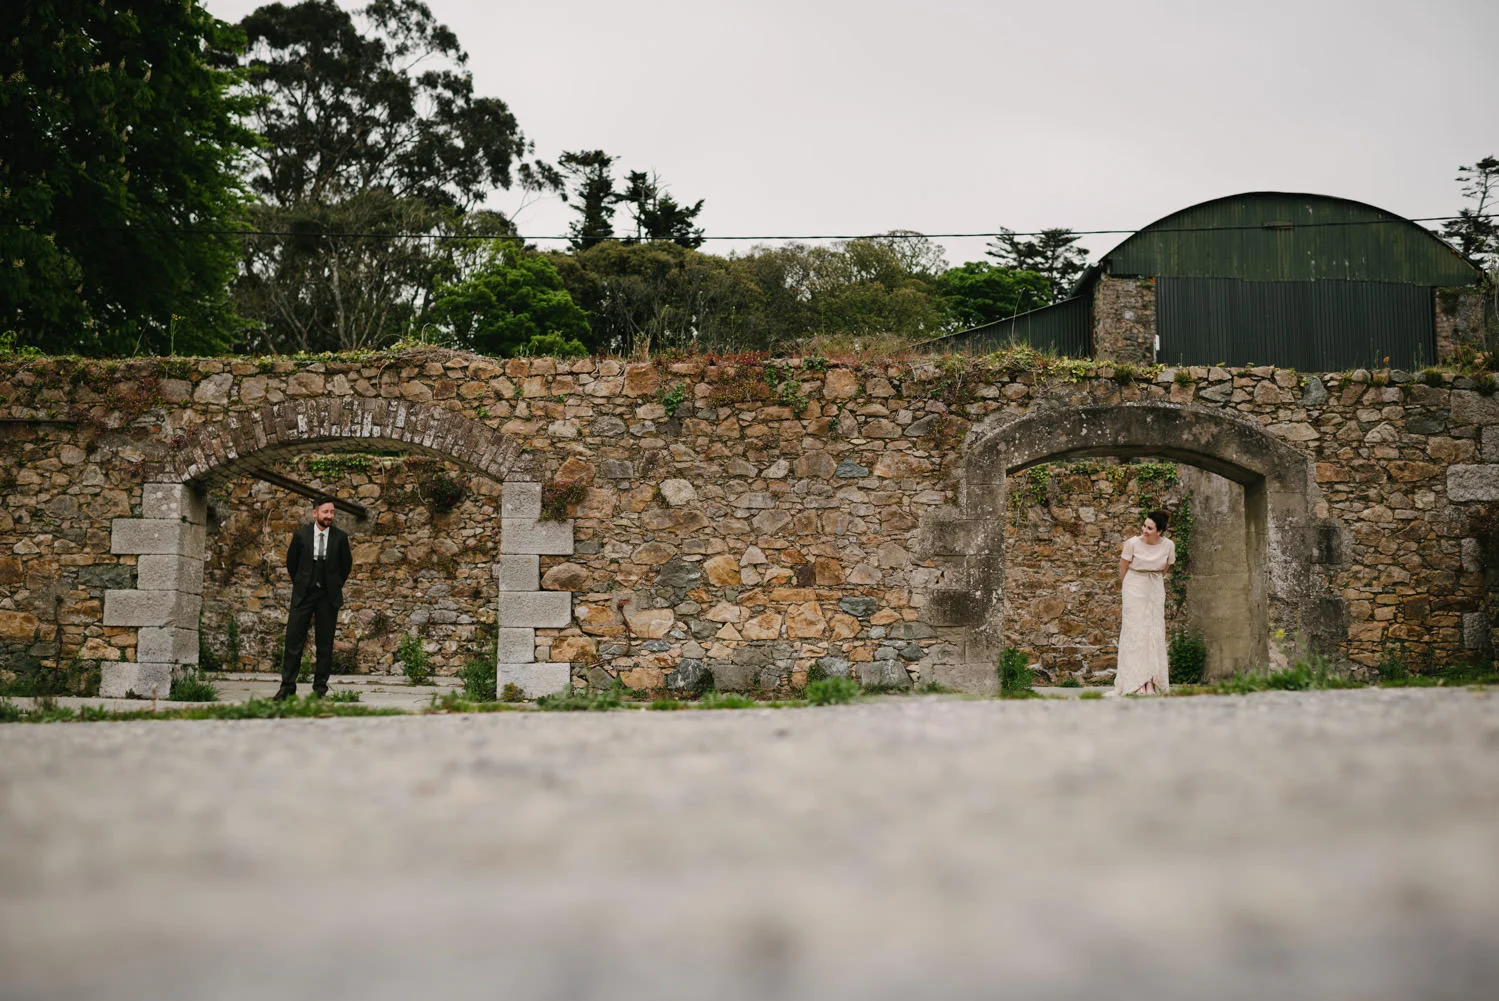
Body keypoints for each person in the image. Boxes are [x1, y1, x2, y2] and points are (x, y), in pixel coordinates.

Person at [275, 495, 353, 700]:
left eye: (332, 512)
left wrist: (333, 585)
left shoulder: (340, 537)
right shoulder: (301, 536)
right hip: (304, 594)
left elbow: (346, 566)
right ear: (315, 512)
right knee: (293, 640)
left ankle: (320, 689)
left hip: (328, 595)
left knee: (325, 644)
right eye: (326, 512)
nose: (329, 516)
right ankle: (287, 687)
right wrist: (302, 582)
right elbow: (292, 563)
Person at [1112, 510, 1176, 696]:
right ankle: (1136, 681)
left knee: (1153, 632)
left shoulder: (1168, 545)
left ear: (1160, 531)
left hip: (1155, 587)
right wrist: (1128, 587)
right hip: (1134, 586)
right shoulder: (1132, 543)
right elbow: (1123, 567)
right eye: (1144, 526)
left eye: (1149, 528)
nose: (1144, 530)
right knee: (1135, 632)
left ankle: (1150, 681)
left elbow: (1165, 567)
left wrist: (1152, 580)